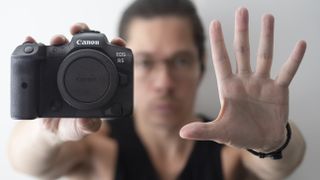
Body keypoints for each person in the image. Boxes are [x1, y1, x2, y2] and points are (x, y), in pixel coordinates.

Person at [8, 0, 307, 179]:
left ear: (201, 66)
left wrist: (273, 141)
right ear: (120, 69)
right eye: (146, 62)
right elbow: (26, 161)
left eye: (180, 61)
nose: (164, 83)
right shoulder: (96, 146)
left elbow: (280, 167)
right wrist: (47, 130)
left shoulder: (231, 147)